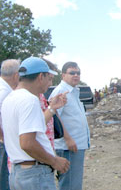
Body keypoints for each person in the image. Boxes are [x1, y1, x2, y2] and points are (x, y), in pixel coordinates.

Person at [1, 57, 70, 190]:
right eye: (48, 78)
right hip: (34, 173)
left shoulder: (10, 98)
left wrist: (51, 108)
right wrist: (54, 161)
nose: (50, 83)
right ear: (40, 76)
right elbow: (27, 143)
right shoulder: (29, 100)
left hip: (18, 172)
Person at [49, 61, 90, 190]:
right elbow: (53, 116)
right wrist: (68, 138)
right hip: (68, 147)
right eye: (72, 73)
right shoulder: (61, 91)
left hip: (77, 145)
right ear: (63, 75)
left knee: (74, 183)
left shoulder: (73, 92)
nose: (76, 75)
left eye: (78, 73)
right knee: (69, 184)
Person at [0, 59, 20, 190]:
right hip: (2, 143)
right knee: (4, 179)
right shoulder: (5, 91)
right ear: (15, 75)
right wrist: (3, 138)